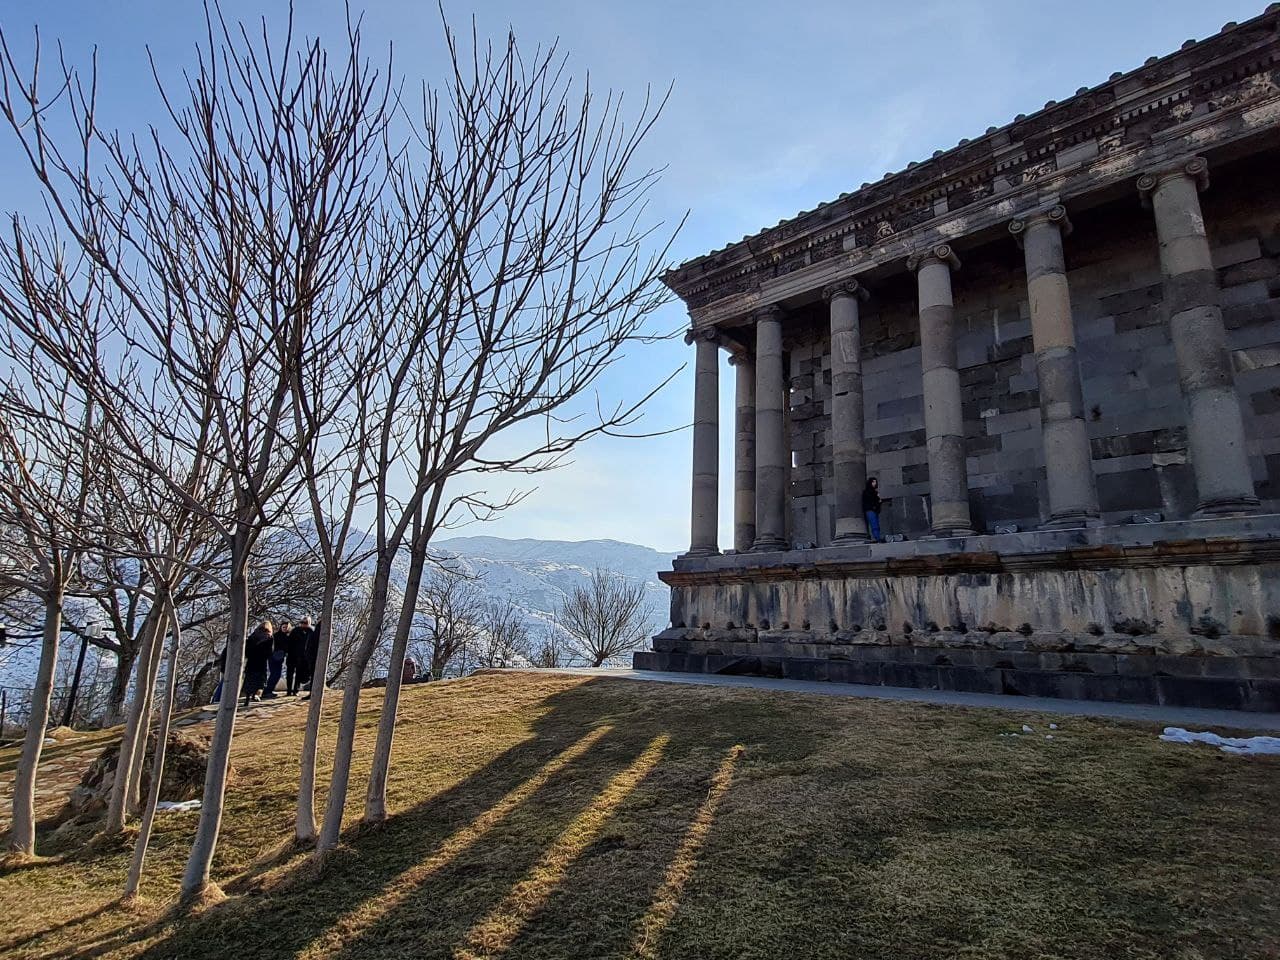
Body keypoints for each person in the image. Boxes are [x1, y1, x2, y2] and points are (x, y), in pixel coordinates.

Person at [242, 621, 274, 707]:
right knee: (259, 681)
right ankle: (255, 695)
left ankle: (247, 698)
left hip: (251, 661)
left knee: (249, 680)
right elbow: (270, 652)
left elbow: (247, 649)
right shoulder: (269, 637)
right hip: (261, 662)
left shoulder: (253, 635)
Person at [286, 617, 313, 696]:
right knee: (290, 673)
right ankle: (289, 690)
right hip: (292, 655)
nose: (303, 624)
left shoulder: (310, 632)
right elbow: (289, 642)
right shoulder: (295, 631)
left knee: (299, 674)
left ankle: (295, 690)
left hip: (303, 657)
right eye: (302, 622)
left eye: (305, 622)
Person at [263, 620, 290, 699]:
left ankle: (269, 690)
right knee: (275, 674)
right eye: (283, 627)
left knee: (276, 674)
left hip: (279, 658)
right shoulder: (277, 636)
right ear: (281, 627)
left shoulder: (287, 636)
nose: (285, 629)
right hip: (273, 657)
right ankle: (267, 691)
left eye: (286, 627)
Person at [863, 476, 884, 542]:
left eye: (875, 482)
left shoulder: (875, 492)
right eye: (873, 482)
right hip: (870, 510)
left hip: (874, 510)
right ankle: (877, 538)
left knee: (876, 524)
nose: (875, 483)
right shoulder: (867, 492)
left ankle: (877, 537)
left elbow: (878, 501)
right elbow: (869, 501)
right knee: (874, 524)